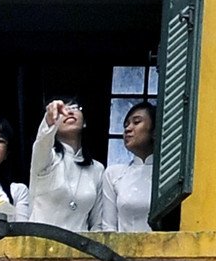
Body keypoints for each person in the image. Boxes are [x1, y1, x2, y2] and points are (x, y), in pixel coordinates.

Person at [30, 97, 107, 229]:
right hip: (40, 243)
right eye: (64, 110)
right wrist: (49, 119)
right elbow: (42, 143)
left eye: (75, 108)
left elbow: (97, 223)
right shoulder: (46, 157)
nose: (70, 112)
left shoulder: (97, 169)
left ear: (84, 123)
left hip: (78, 246)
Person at [100, 101, 156, 232]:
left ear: (155, 130)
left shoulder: (170, 174)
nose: (128, 129)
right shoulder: (114, 174)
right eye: (126, 125)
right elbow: (109, 228)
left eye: (136, 122)